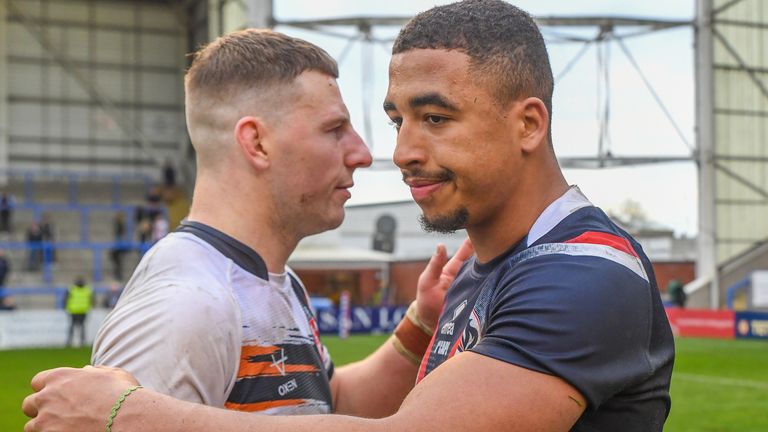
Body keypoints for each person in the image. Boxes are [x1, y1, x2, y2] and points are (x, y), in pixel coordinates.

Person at [22, 2, 674, 431]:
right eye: (396, 120)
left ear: (529, 123)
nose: (393, 153)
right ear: (254, 143)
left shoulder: (582, 272)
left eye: (435, 118)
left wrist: (130, 414)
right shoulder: (185, 297)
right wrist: (419, 327)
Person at [27, 26, 469, 420]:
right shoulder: (188, 306)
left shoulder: (273, 281)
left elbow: (332, 405)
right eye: (334, 129)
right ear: (256, 142)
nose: (363, 154)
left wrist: (423, 321)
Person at [64, 276, 93, 347]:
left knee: (72, 327)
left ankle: (69, 342)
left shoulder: (71, 289)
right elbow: (92, 300)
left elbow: (65, 299)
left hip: (73, 311)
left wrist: (66, 308)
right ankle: (82, 341)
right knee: (82, 327)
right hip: (83, 311)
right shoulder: (88, 290)